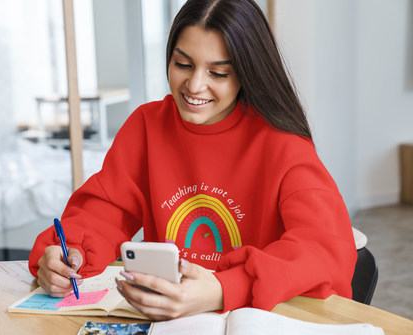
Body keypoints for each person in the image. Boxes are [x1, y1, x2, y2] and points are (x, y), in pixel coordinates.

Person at [29, 0, 357, 321]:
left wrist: (221, 288)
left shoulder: (283, 144)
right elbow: (102, 212)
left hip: (252, 320)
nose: (194, 85)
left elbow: (324, 250)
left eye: (218, 72)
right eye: (183, 64)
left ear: (247, 73)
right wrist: (69, 253)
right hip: (169, 322)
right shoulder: (147, 126)